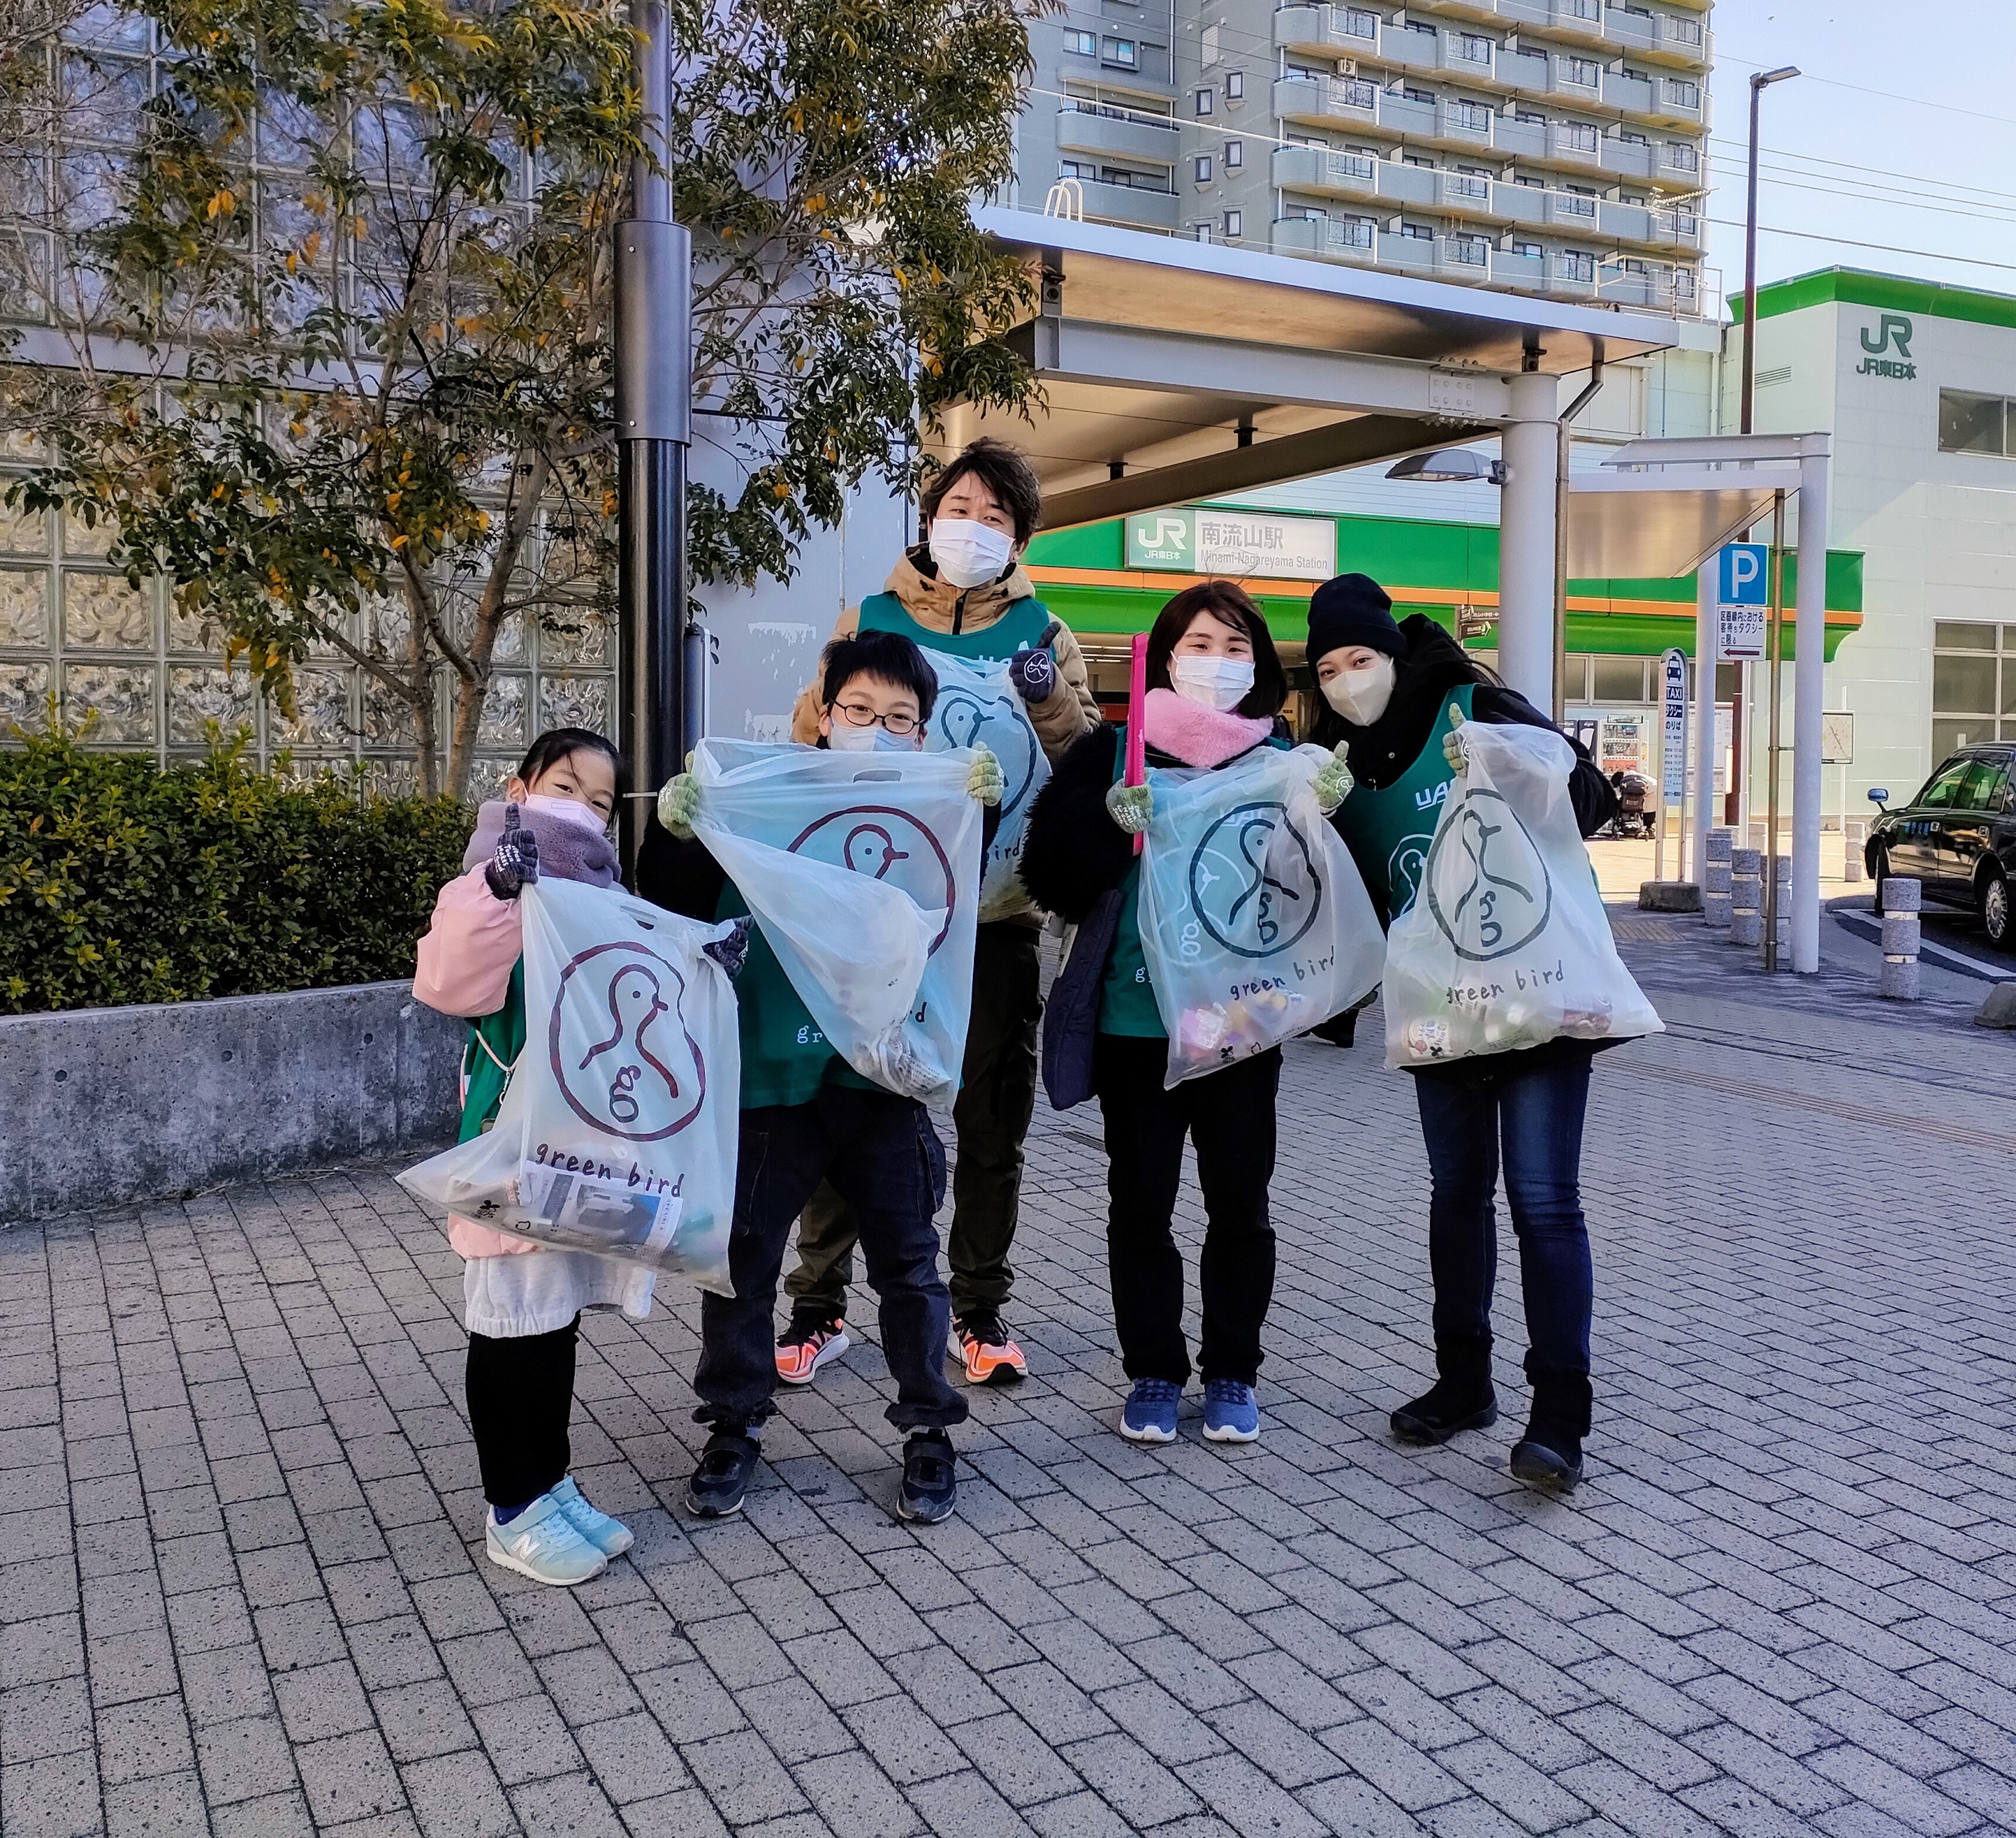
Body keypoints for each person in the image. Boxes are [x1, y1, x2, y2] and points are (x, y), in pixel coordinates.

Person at [641, 629, 1004, 1525]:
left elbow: (950, 907)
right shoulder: (766, 796)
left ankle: (928, 1429)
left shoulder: (931, 809)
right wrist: (680, 829)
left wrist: (978, 814)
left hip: (881, 1079)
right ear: (822, 710)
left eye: (899, 719)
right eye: (858, 711)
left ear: (922, 734)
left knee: (910, 1267)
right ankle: (733, 1421)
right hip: (774, 1074)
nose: (877, 731)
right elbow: (674, 899)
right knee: (742, 1263)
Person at [777, 439, 1097, 1389]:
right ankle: (817, 1305)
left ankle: (979, 1308)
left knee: (992, 1124)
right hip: (875, 915)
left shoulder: (1044, 633)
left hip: (995, 918)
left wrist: (1046, 704)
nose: (974, 526)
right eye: (961, 507)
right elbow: (808, 736)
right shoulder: (869, 619)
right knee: (847, 1107)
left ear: (1019, 537)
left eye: (996, 517)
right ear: (928, 519)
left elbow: (1084, 763)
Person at [1019, 581, 1350, 1447]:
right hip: (1137, 1028)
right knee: (1141, 1204)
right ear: (1165, 658)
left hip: (1239, 1028)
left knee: (1240, 1203)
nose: (1217, 661)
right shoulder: (1114, 755)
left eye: (1235, 646)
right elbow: (1048, 874)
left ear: (1258, 666)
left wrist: (1331, 812)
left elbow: (1320, 898)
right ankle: (1155, 1370)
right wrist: (1104, 825)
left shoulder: (1281, 762)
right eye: (1200, 644)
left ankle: (1233, 1369)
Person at [1306, 572, 1617, 1493]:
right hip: (1437, 1012)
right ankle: (1463, 1382)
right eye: (1327, 667)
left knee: (1543, 1202)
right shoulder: (1336, 764)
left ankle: (1559, 1415)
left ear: (1396, 654)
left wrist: (1505, 760)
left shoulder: (1472, 702)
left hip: (1534, 995)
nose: (1347, 679)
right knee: (1455, 1195)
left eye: (1361, 658)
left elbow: (1590, 799)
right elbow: (1353, 909)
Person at [413, 728, 641, 1586]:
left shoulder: (601, 897)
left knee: (553, 1321)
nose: (580, 811)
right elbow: (447, 982)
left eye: (599, 803)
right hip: (511, 1148)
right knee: (510, 1323)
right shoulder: (487, 887)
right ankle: (513, 1508)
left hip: (579, 1150)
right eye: (565, 787)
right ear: (519, 788)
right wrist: (500, 889)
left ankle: (549, 1484)